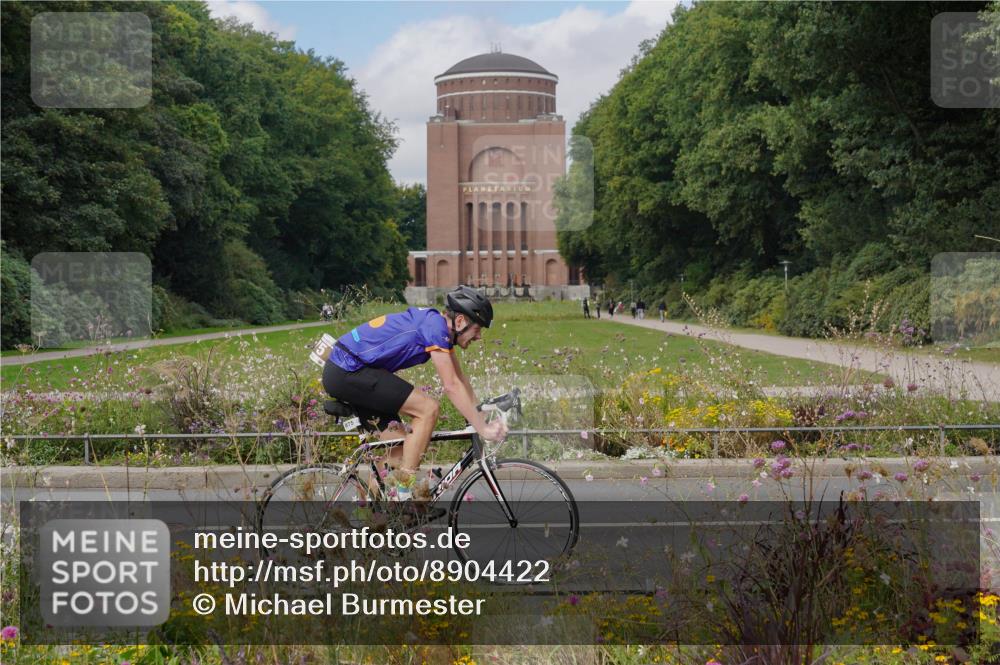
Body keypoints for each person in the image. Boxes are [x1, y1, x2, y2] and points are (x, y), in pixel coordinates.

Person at [322, 286, 507, 502]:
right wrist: (482, 428)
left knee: (400, 451)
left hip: (351, 371)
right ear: (460, 322)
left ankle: (370, 517)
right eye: (477, 329)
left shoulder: (437, 328)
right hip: (348, 370)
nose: (479, 337)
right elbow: (451, 386)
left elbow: (460, 379)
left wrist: (479, 414)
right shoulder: (434, 328)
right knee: (428, 409)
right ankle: (404, 493)